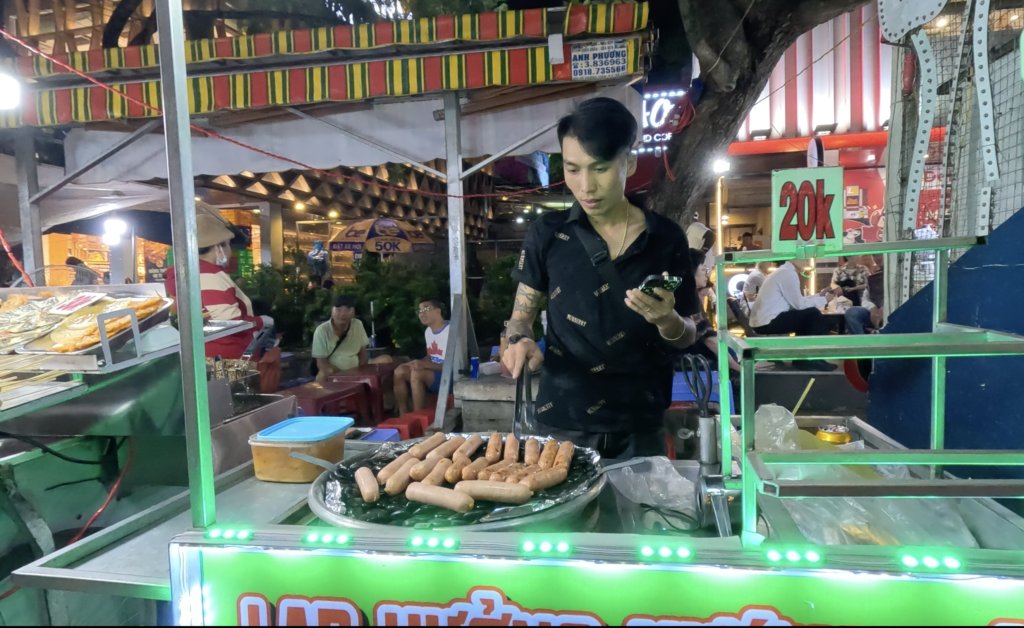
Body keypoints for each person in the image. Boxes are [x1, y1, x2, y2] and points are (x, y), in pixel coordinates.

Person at [501, 97, 700, 459]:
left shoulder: (665, 237)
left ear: (630, 162)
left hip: (640, 425)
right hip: (562, 423)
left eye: (600, 168)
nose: (586, 186)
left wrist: (667, 320)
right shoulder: (548, 233)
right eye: (573, 169)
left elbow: (688, 334)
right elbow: (520, 318)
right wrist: (517, 342)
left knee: (642, 517)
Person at [165, 212, 271, 359]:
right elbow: (229, 323)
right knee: (231, 383)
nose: (230, 251)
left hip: (211, 354)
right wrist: (263, 321)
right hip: (227, 360)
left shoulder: (193, 272)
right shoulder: (208, 275)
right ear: (217, 247)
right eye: (227, 244)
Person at [748, 259, 837, 371]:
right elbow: (799, 305)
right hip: (767, 322)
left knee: (808, 316)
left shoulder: (784, 272)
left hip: (764, 321)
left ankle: (806, 359)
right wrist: (824, 299)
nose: (806, 260)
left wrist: (818, 296)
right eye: (803, 257)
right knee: (813, 315)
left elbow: (795, 302)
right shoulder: (788, 274)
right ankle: (812, 359)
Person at [683, 249, 740, 372]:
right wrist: (738, 368)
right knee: (727, 358)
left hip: (684, 355)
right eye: (703, 270)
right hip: (686, 360)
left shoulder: (685, 295)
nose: (706, 275)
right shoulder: (687, 300)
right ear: (691, 273)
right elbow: (709, 339)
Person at [393, 299, 449, 415]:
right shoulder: (428, 331)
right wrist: (416, 363)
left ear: (437, 311)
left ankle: (417, 415)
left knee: (417, 373)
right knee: (400, 371)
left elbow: (453, 366)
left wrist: (423, 365)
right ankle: (403, 414)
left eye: (425, 309)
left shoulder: (450, 331)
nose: (421, 314)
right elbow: (430, 356)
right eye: (419, 311)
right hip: (433, 373)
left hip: (449, 377)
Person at [312, 294, 370, 383]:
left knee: (385, 359)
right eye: (338, 310)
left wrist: (361, 373)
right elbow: (321, 364)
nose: (342, 314)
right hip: (335, 374)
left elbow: (363, 354)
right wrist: (344, 375)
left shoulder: (358, 324)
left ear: (353, 312)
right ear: (332, 311)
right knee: (324, 373)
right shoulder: (322, 331)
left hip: (357, 371)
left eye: (347, 310)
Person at [845, 260, 885, 335]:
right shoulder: (873, 278)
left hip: (894, 312)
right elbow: (865, 298)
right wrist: (872, 308)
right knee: (852, 312)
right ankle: (860, 342)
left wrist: (884, 308)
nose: (877, 258)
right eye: (875, 255)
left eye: (880, 254)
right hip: (874, 313)